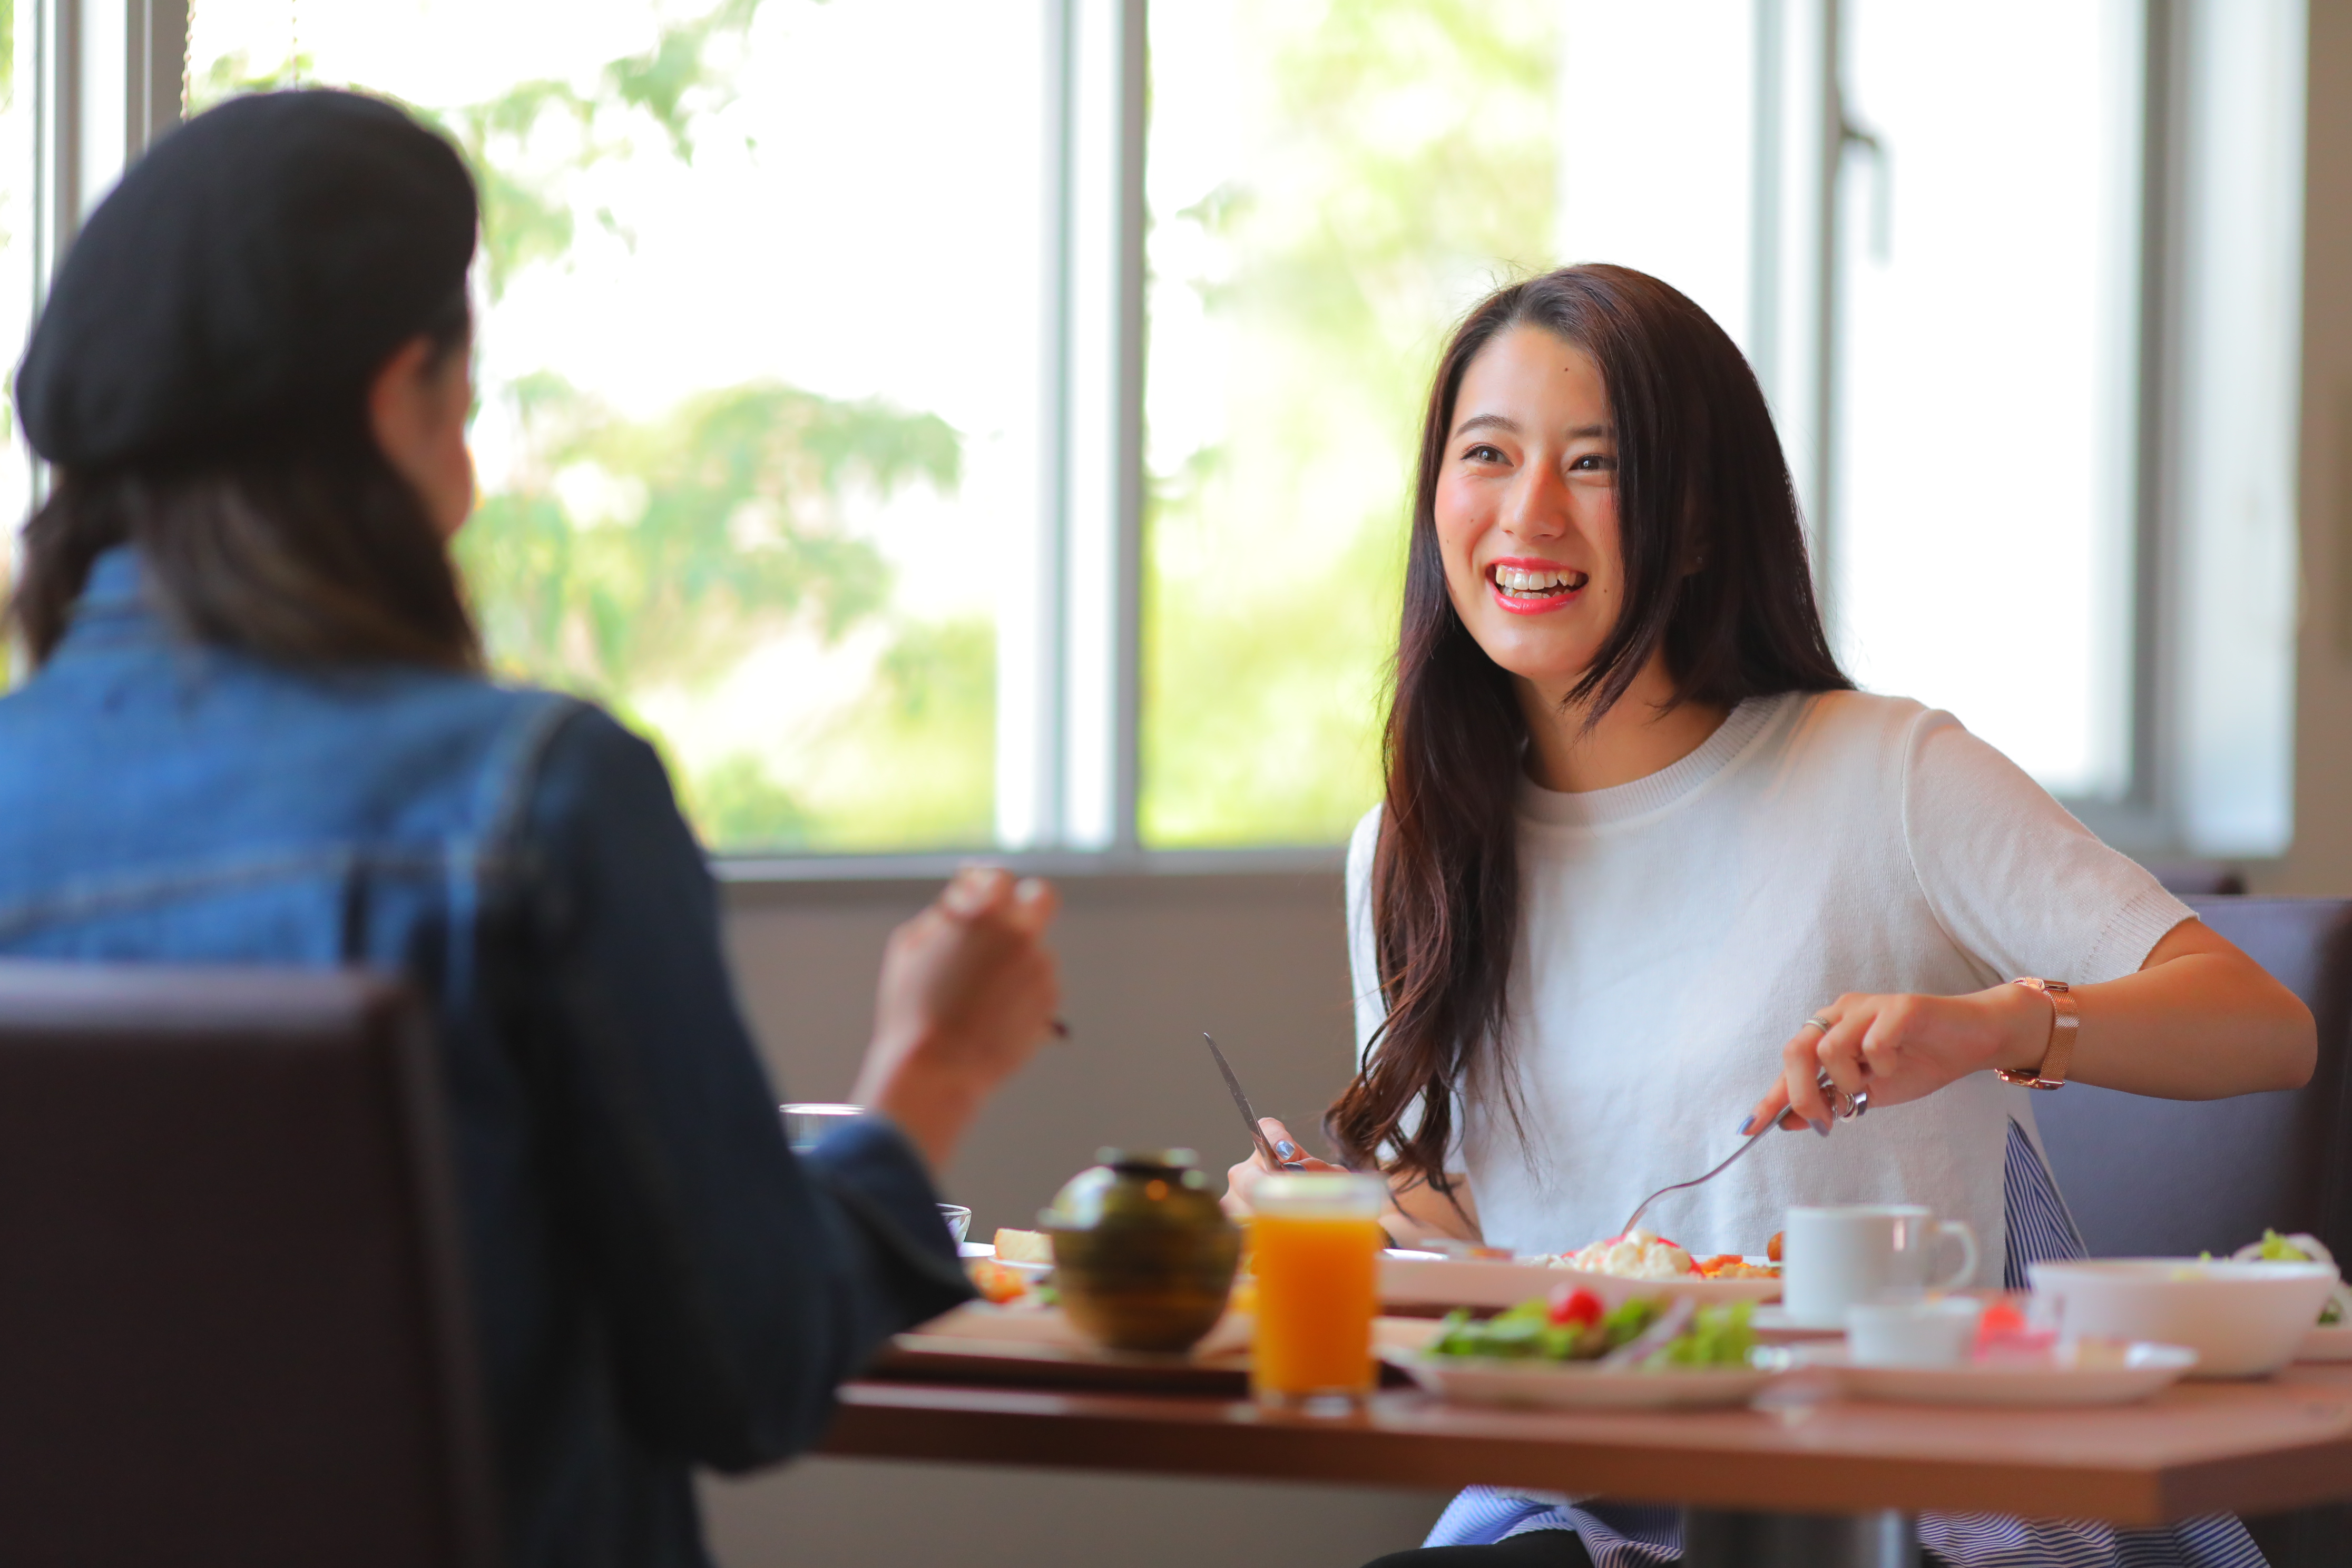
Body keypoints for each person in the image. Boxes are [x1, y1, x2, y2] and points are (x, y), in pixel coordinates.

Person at [0, 90, 1060, 1567]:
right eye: (468, 403)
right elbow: (746, 1374)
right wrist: (926, 1080)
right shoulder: (542, 798)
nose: (475, 473)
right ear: (398, 401)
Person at [1222, 265, 2315, 1568]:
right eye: (1488, 456)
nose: (1529, 514)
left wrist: (1991, 1027)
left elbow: (2264, 1029)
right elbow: (1471, 1235)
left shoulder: (1886, 774)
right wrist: (1336, 1224)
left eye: (1594, 465)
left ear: (1694, 524)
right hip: (1586, 1499)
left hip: (1914, 1502)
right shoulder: (1410, 853)